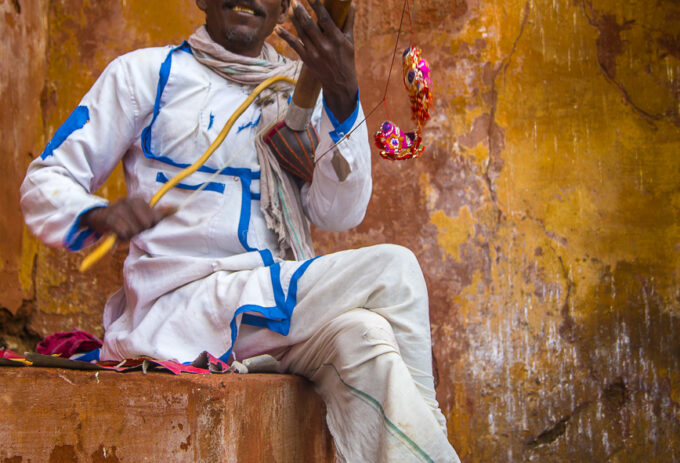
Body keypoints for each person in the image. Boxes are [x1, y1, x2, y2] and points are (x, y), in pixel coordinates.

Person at [20, 0, 460, 461]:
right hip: (180, 309)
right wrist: (95, 215)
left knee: (367, 335)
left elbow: (340, 214)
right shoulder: (145, 75)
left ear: (284, 6)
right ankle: (438, 432)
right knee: (395, 268)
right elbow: (46, 181)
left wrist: (344, 97)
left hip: (272, 309)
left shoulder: (301, 90)